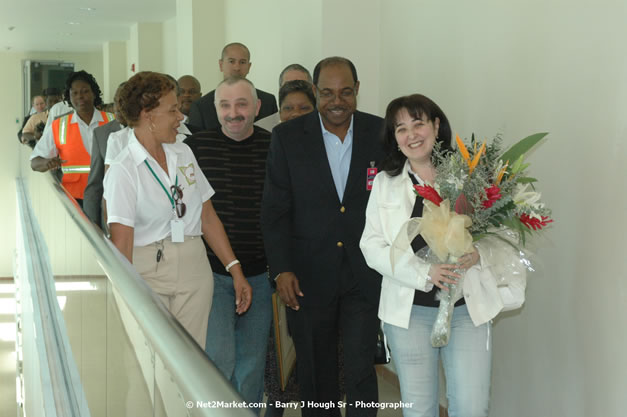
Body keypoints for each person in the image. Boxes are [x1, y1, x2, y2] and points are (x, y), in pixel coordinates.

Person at [261, 56, 385, 417]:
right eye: (328, 92)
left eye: (346, 92)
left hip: (364, 275)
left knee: (362, 369)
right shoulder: (287, 138)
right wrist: (281, 269)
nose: (337, 101)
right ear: (315, 92)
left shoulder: (379, 134)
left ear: (357, 91)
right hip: (306, 277)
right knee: (316, 373)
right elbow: (275, 212)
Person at [359, 94, 491, 417]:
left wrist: (480, 253)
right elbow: (371, 246)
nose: (411, 135)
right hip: (410, 314)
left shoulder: (468, 174)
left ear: (435, 125)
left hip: (466, 309)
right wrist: (425, 275)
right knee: (419, 409)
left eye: (418, 123)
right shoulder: (386, 185)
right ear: (395, 139)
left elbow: (499, 231)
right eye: (401, 129)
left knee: (472, 408)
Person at [103, 71, 251, 349]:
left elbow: (207, 217)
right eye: (172, 110)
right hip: (147, 271)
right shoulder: (123, 170)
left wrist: (235, 269)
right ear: (148, 115)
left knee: (192, 358)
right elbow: (121, 244)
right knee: (153, 362)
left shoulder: (183, 152)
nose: (181, 117)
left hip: (194, 266)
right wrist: (123, 299)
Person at [185, 77, 272, 415]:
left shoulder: (274, 147)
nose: (233, 113)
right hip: (212, 276)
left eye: (241, 104)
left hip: (262, 277)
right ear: (215, 108)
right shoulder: (196, 149)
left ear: (257, 108)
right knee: (217, 362)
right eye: (225, 105)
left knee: (251, 369)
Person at [30, 70, 114, 204]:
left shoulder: (112, 121)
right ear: (69, 97)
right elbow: (34, 162)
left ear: (94, 93)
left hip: (110, 195)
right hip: (76, 199)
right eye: (74, 93)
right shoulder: (59, 125)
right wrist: (47, 163)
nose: (80, 96)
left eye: (85, 91)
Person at [188, 42, 277, 131]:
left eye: (242, 62)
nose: (237, 67)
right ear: (220, 65)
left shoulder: (268, 102)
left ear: (249, 67)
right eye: (231, 61)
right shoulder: (201, 107)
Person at [83, 83, 126, 228]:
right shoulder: (102, 133)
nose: (117, 108)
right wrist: (92, 226)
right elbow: (95, 183)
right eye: (115, 102)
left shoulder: (151, 132)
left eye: (123, 102)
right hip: (111, 218)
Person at [255, 64, 312, 131]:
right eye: (288, 87)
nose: (295, 93)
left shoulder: (324, 125)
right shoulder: (261, 129)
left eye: (301, 86)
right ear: (280, 91)